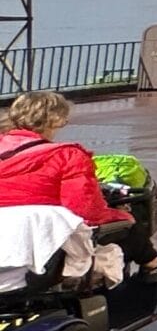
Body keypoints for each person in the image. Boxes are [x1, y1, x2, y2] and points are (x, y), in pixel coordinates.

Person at [0, 91, 131, 229]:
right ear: (56, 120)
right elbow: (84, 210)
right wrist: (121, 215)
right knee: (130, 224)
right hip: (43, 232)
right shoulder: (68, 156)